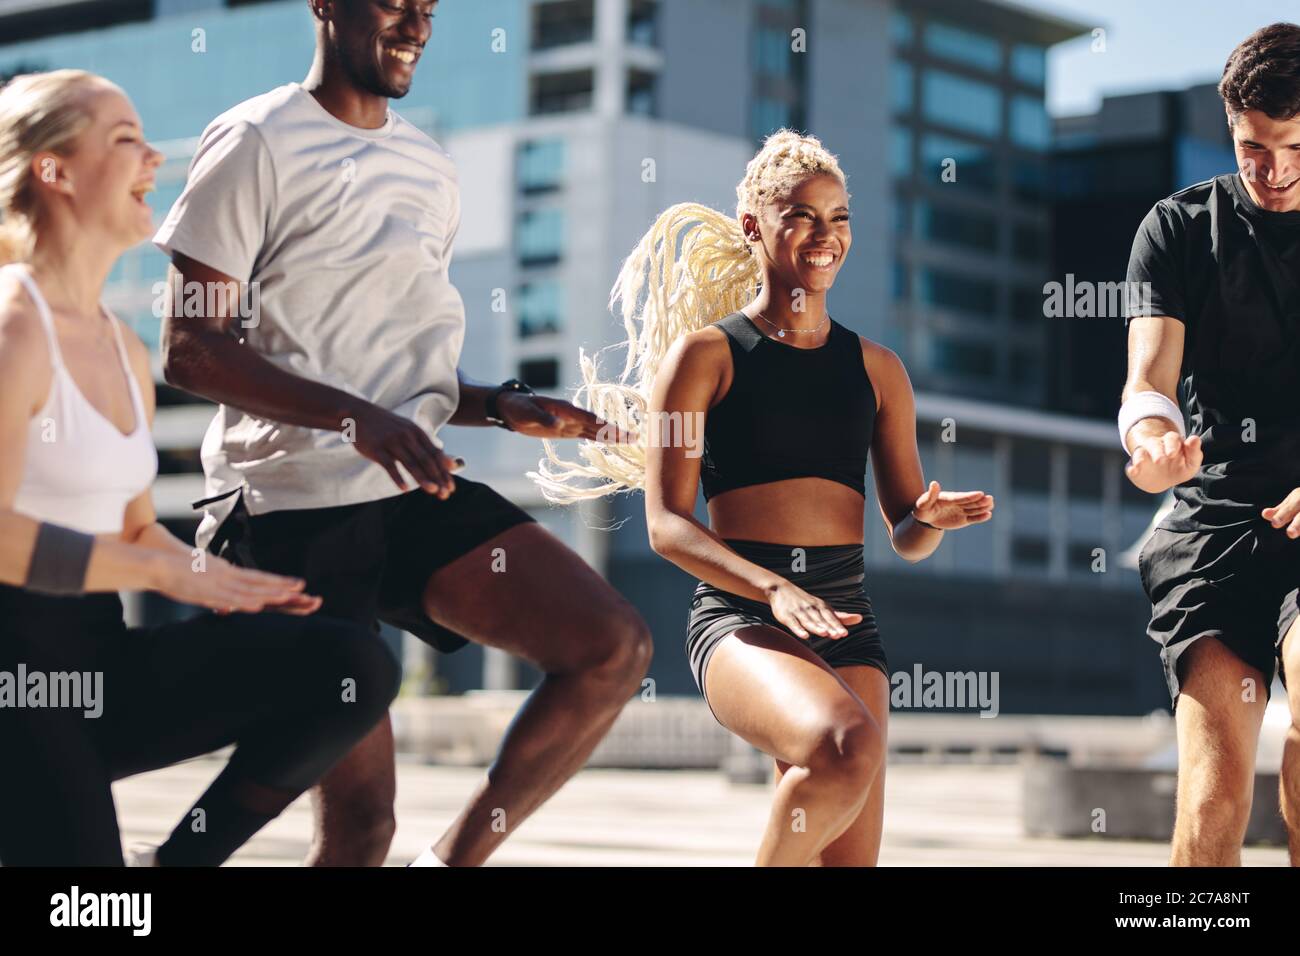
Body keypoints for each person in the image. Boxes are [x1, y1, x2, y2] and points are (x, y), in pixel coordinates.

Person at [154, 0, 652, 867]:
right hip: (288, 508)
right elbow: (191, 350)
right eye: (394, 2)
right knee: (361, 826)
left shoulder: (430, 167)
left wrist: (499, 405)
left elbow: (390, 374)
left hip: (407, 491)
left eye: (429, 7)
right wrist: (358, 418)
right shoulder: (254, 140)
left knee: (612, 646)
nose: (417, 24)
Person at [532, 130, 995, 866]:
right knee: (844, 747)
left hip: (848, 621)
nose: (825, 235)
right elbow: (664, 525)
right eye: (803, 216)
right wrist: (774, 590)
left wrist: (928, 520)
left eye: (839, 217)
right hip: (741, 618)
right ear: (754, 226)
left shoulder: (880, 370)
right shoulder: (703, 359)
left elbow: (904, 533)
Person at [0, 69, 401, 866]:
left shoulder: (120, 343)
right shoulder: (14, 325)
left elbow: (135, 525)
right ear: (53, 171)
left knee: (345, 663)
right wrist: (169, 579)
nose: (153, 157)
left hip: (96, 661)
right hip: (15, 679)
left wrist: (220, 582)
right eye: (124, 140)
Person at [1122, 22, 1300, 867]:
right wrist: (1153, 438)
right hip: (1217, 521)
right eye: (1252, 148)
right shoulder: (1179, 228)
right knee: (1214, 794)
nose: (1273, 170)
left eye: (1294, 145)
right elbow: (1148, 380)